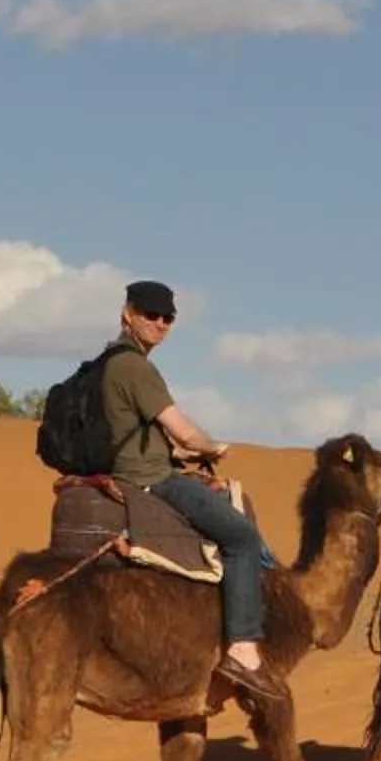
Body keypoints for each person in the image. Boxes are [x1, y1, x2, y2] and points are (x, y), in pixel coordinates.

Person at [95, 279, 289, 706]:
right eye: (151, 314)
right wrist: (212, 447)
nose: (160, 324)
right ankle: (241, 648)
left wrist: (183, 453)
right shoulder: (134, 367)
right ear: (128, 313)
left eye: (168, 318)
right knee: (241, 538)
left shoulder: (113, 363)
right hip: (151, 479)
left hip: (146, 466)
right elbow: (181, 428)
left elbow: (144, 433)